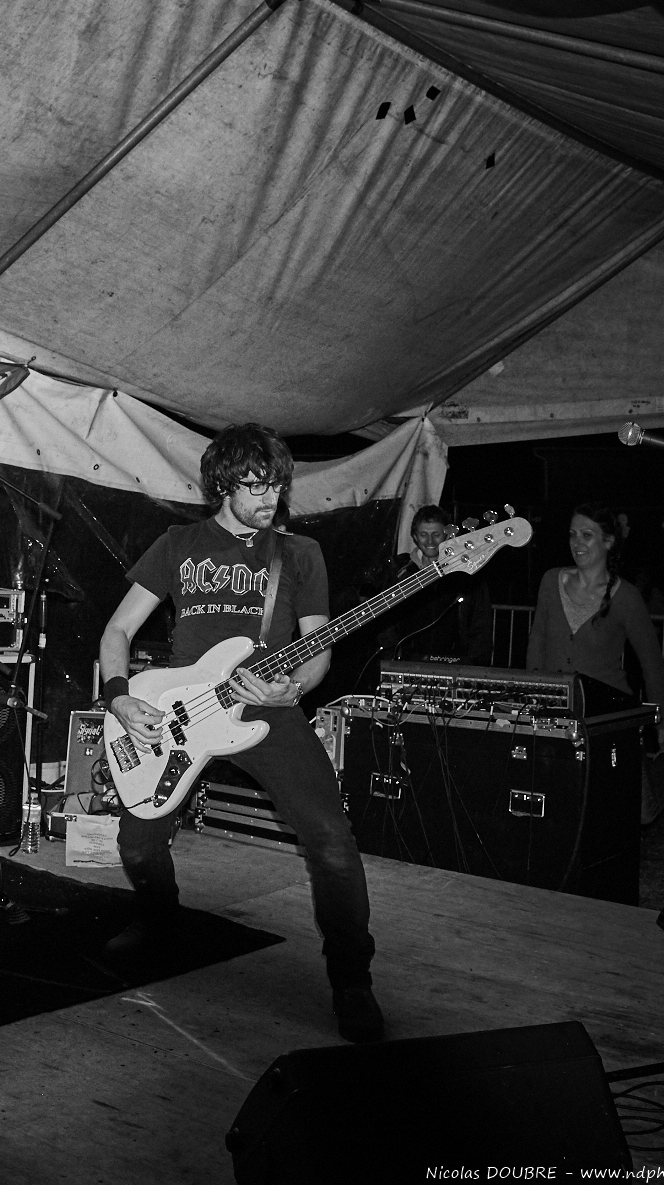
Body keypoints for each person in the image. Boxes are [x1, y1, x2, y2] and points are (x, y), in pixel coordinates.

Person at [97, 423, 382, 1044]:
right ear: (222, 485)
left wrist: (294, 688)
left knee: (332, 841)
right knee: (139, 844)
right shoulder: (177, 544)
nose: (270, 498)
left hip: (267, 711)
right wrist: (118, 697)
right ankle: (160, 919)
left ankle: (352, 980)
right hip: (178, 713)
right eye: (255, 486)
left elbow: (318, 646)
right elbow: (117, 631)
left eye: (276, 485)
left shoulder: (300, 553)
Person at [527, 503, 664, 792]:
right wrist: (532, 700)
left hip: (608, 716)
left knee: (635, 805)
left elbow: (651, 663)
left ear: (608, 541)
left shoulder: (627, 597)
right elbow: (536, 644)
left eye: (587, 535)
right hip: (557, 712)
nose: (577, 543)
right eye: (572, 534)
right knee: (563, 795)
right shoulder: (551, 581)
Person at [366, 505, 494, 665]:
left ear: (447, 535)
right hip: (407, 664)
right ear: (415, 536)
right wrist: (390, 662)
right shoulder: (400, 574)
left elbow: (481, 626)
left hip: (456, 666)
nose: (430, 541)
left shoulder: (467, 573)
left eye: (436, 534)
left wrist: (475, 666)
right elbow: (386, 624)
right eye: (423, 535)